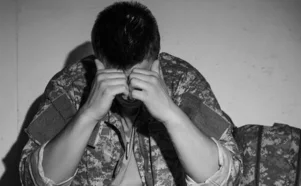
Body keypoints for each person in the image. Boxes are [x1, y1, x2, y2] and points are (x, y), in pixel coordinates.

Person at [19, 2, 241, 185]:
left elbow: (229, 177)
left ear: (156, 62)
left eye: (139, 77)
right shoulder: (69, 85)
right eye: (116, 78)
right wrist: (87, 114)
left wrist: (170, 114)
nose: (128, 93)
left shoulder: (184, 81)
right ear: (99, 64)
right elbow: (30, 180)